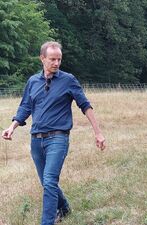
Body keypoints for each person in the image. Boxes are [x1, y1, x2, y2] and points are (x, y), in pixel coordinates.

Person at [1, 41, 106, 224]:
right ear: (42, 58)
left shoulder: (68, 80)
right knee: (46, 183)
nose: (56, 63)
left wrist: (98, 133)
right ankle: (64, 207)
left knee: (49, 181)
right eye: (52, 59)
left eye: (59, 59)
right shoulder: (33, 82)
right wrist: (12, 127)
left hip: (58, 138)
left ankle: (47, 222)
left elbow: (85, 106)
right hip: (36, 141)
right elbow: (25, 107)